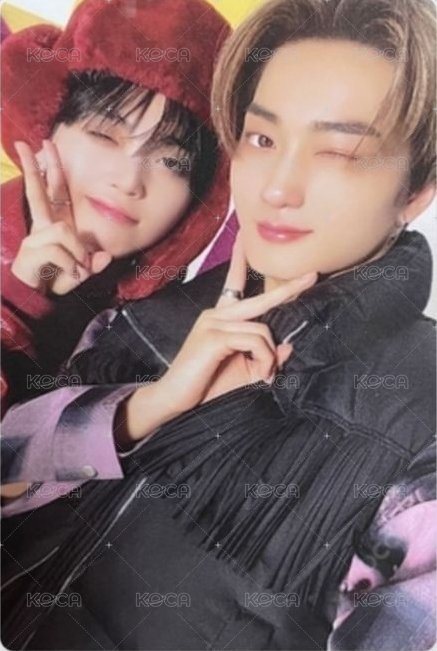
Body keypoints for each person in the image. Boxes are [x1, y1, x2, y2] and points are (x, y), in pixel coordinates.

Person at [1, 0, 436, 648]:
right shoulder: (157, 313)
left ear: (415, 191)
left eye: (339, 151)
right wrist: (141, 410)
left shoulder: (421, 431)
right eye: (262, 139)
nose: (277, 187)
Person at [1, 0, 231, 411]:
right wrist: (18, 305)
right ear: (47, 128)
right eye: (105, 135)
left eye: (172, 163)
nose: (128, 181)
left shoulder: (180, 318)